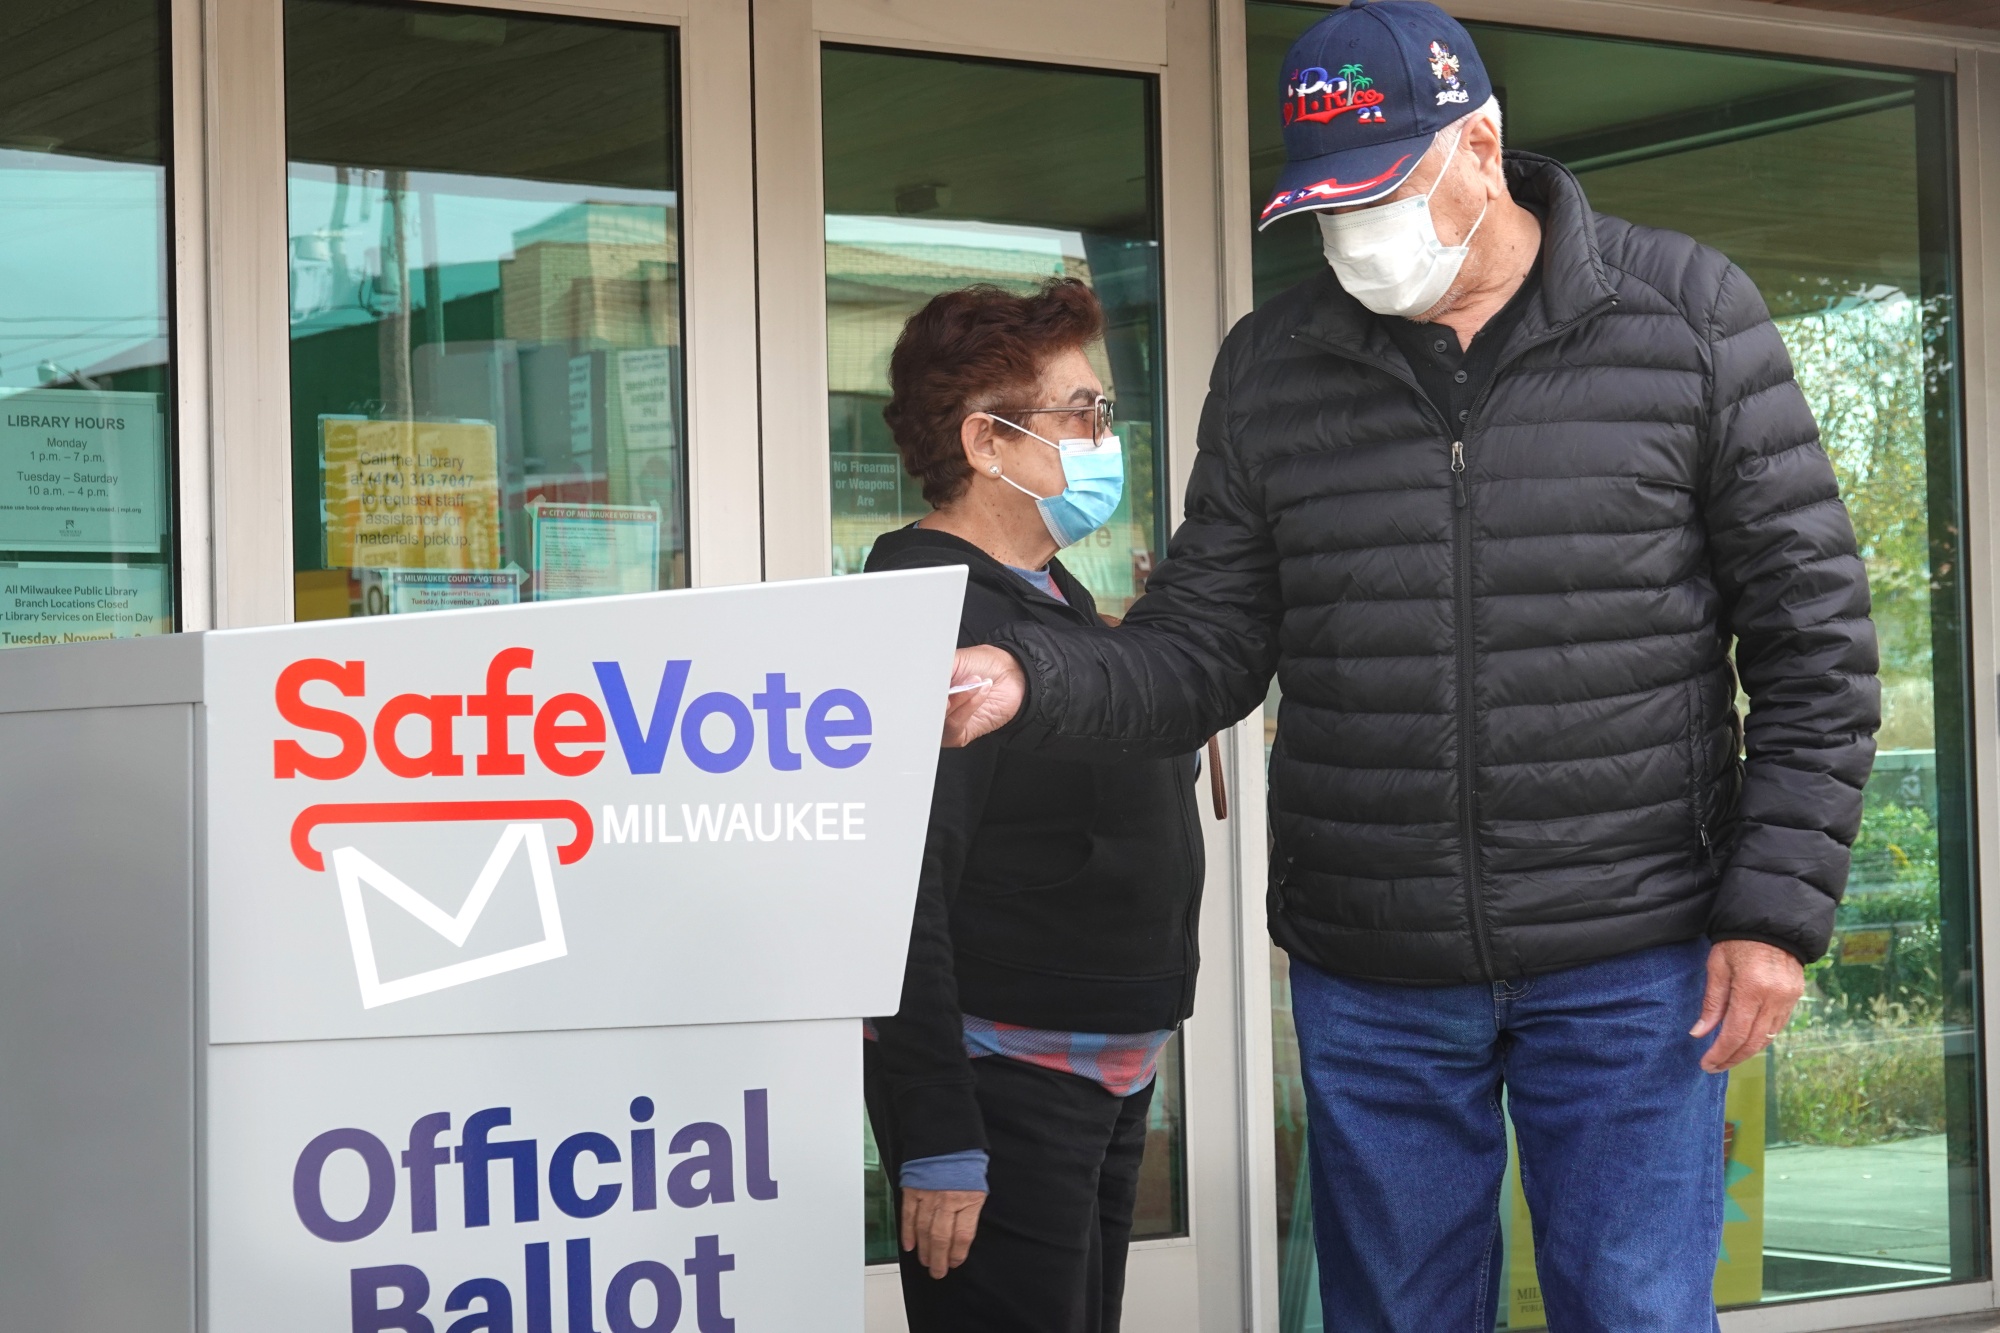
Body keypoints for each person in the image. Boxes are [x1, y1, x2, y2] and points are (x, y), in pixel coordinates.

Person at [944, 3, 1878, 1329]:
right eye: (1325, 209)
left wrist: (1774, 911)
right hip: (1372, 963)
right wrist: (1033, 678)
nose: (1351, 239)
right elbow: (1202, 645)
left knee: (1634, 1306)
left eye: (1378, 195)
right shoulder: (1277, 367)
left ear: (1480, 147)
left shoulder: (1684, 317)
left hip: (1632, 950)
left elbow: (1814, 644)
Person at [863, 278, 1205, 1333]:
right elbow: (896, 895)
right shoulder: (928, 614)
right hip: (1002, 1085)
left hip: (1101, 1075)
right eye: (1081, 412)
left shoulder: (1056, 601)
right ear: (985, 441)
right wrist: (937, 1133)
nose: (1106, 436)